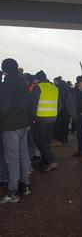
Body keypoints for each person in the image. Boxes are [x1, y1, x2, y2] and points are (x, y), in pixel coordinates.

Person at [0, 59, 32, 203]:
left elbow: (4, 107)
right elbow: (29, 103)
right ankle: (25, 185)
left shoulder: (6, 84)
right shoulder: (23, 83)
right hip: (23, 124)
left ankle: (13, 192)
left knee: (12, 159)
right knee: (23, 154)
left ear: (4, 69)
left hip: (10, 126)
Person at [32, 70, 59, 172]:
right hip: (52, 117)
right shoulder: (55, 88)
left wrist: (32, 118)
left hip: (41, 118)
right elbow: (59, 104)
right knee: (46, 141)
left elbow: (34, 104)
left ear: (37, 79)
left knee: (38, 140)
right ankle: (44, 161)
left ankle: (51, 161)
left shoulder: (38, 87)